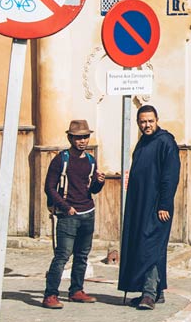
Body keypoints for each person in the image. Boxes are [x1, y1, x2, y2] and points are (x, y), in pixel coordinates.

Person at [42, 118, 116, 308]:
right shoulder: (61, 159)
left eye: (85, 137)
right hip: (69, 216)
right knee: (62, 256)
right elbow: (49, 188)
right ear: (70, 138)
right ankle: (50, 295)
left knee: (82, 256)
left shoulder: (91, 160)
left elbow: (92, 190)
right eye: (78, 137)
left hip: (88, 213)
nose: (82, 140)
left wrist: (100, 181)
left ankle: (76, 290)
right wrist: (66, 207)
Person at [118, 104, 181, 310]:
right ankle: (157, 291)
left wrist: (164, 204)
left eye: (150, 121)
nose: (147, 125)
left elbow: (170, 177)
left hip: (157, 207)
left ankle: (149, 294)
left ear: (157, 120)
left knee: (150, 248)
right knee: (145, 246)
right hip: (140, 207)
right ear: (138, 123)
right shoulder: (143, 143)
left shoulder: (166, 142)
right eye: (143, 122)